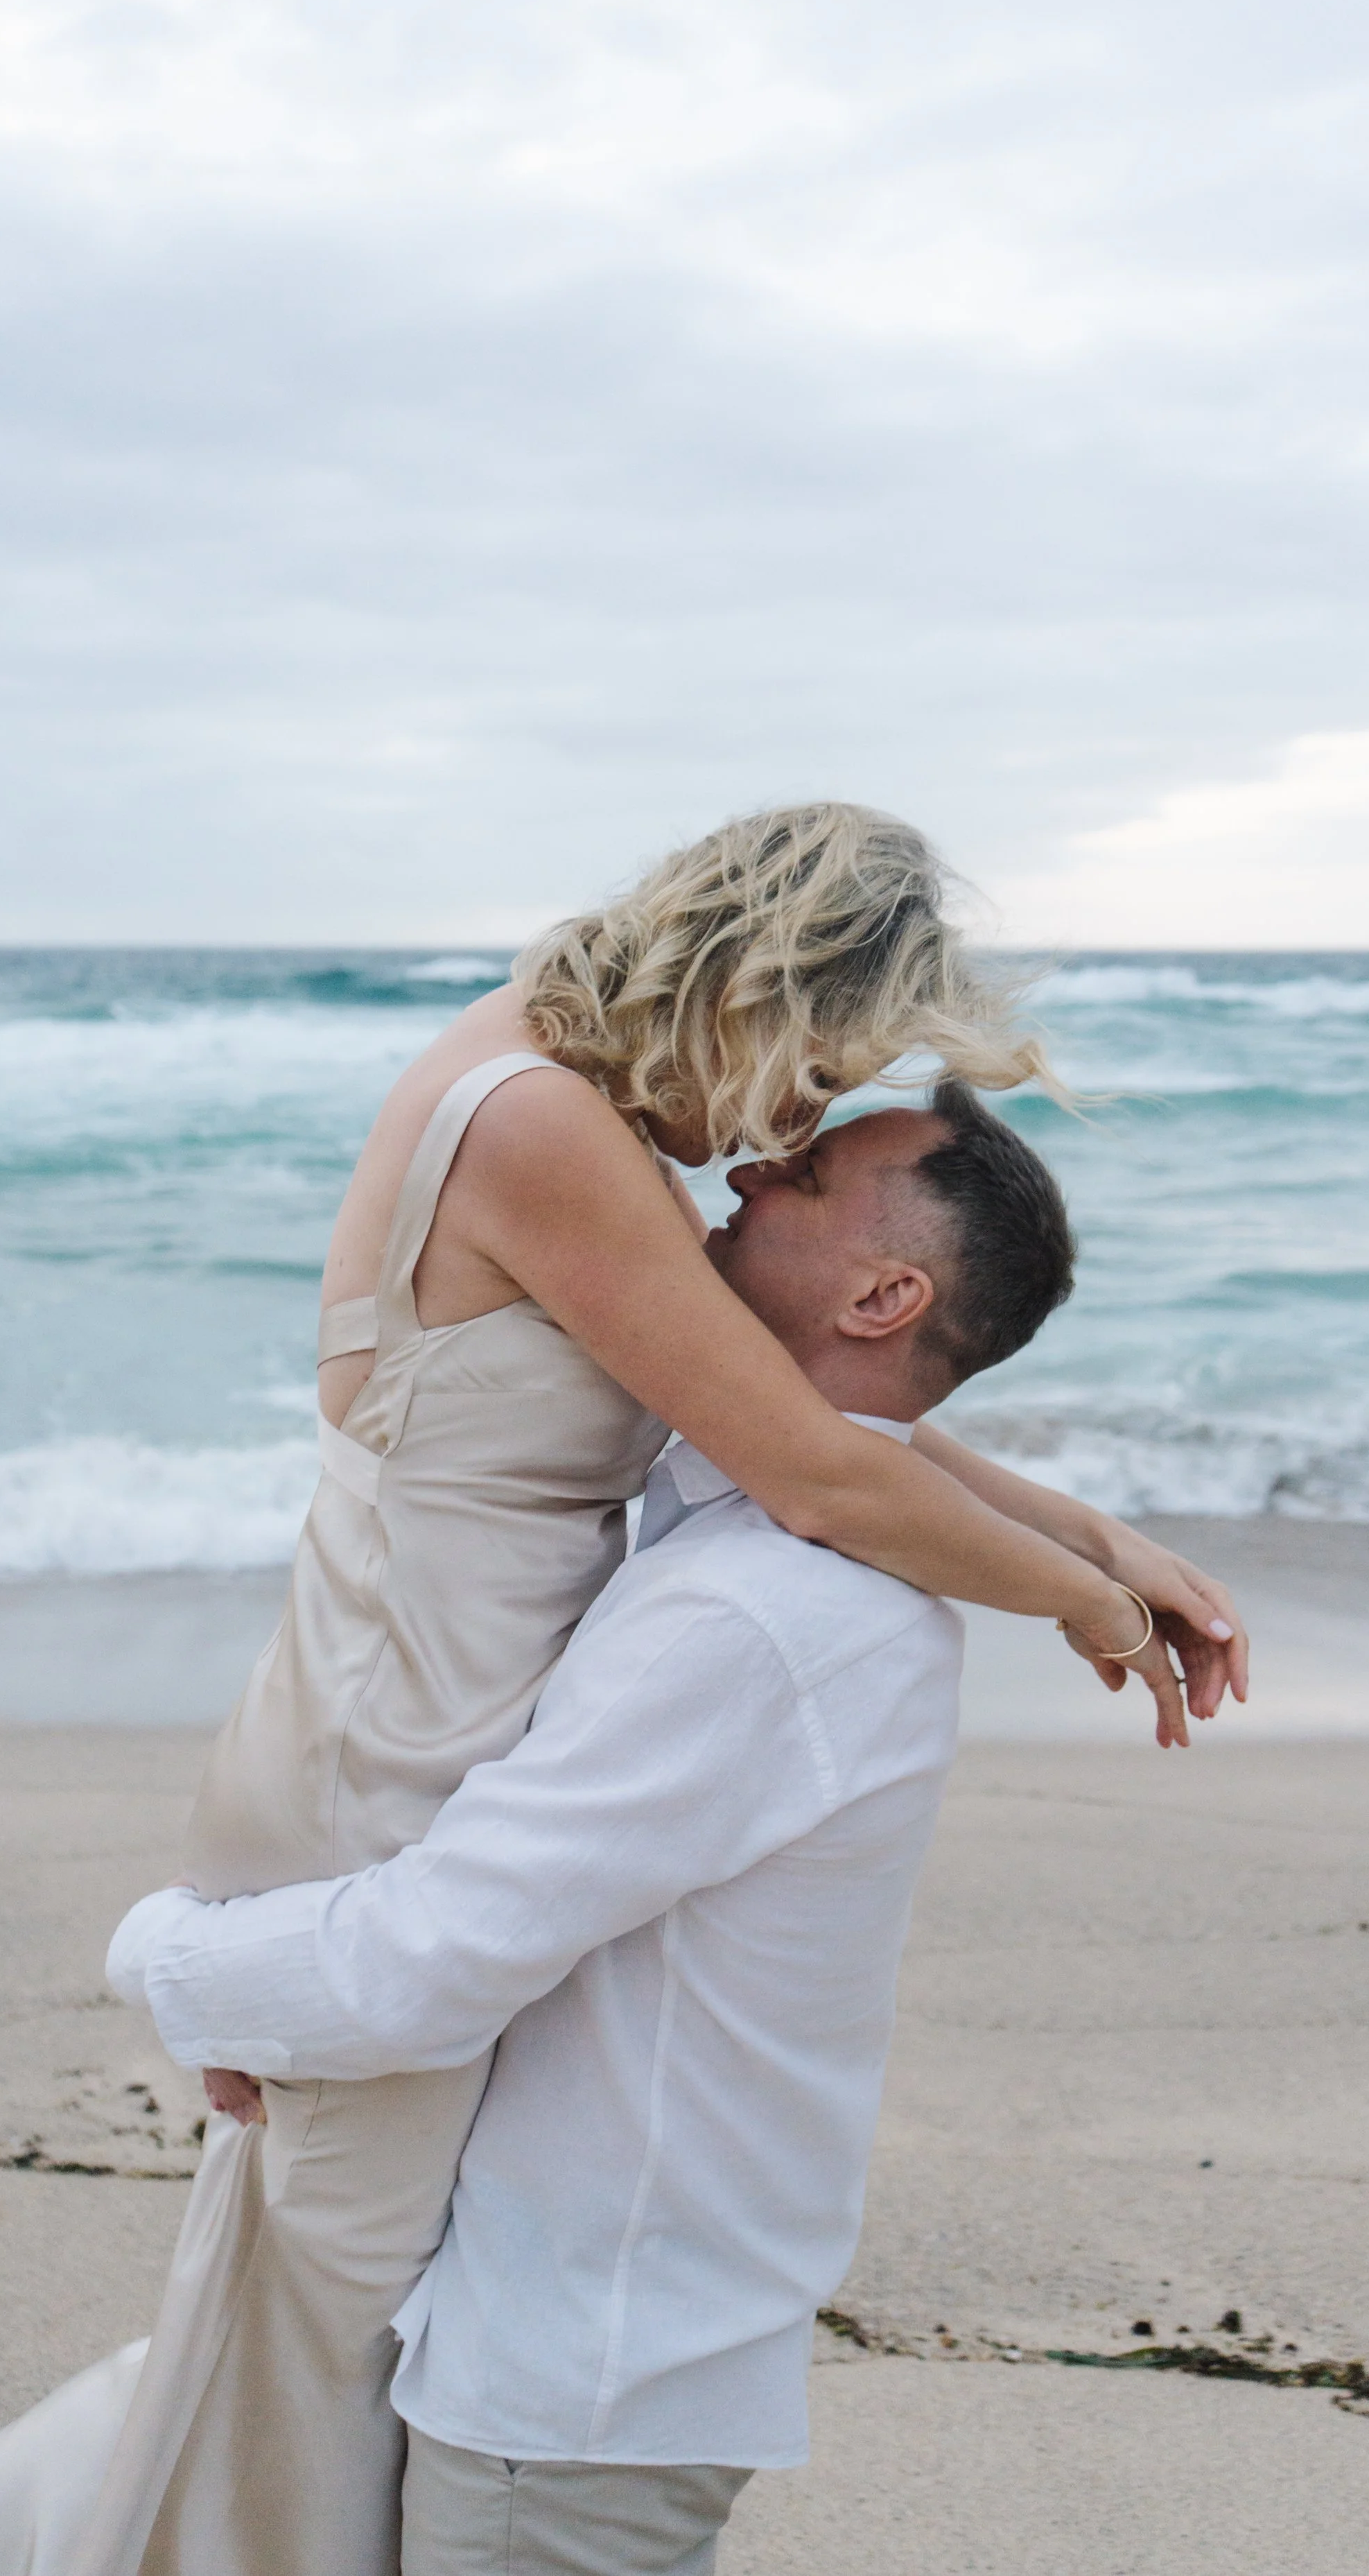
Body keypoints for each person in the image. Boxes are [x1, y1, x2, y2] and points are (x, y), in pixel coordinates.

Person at [0, 806, 1245, 2576]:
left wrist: (1097, 1533)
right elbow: (819, 1468)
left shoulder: (577, 1104)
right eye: (814, 1076)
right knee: (304, 2357)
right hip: (387, 1752)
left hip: (441, 1728)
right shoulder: (543, 1125)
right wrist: (1086, 1610)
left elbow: (828, 1416)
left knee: (299, 2339)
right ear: (765, 986)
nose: (774, 1137)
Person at [103, 1087, 1174, 2575]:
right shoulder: (739, 1537)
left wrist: (160, 1955)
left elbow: (424, 1963)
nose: (743, 1168)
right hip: (588, 2341)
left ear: (883, 1294)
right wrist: (1093, 1553)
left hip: (577, 2376)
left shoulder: (755, 1616)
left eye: (799, 1176)